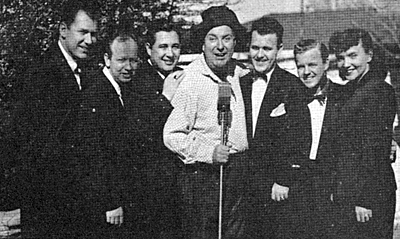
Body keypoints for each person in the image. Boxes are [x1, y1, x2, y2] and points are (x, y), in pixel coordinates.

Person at [163, 6, 250, 239]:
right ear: (202, 43)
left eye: (227, 38)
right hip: (204, 179)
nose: (220, 46)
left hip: (238, 175)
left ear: (235, 43)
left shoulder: (240, 74)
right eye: (212, 38)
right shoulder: (190, 81)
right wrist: (208, 152)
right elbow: (172, 135)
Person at [19, 0, 100, 237]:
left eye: (93, 34)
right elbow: (36, 145)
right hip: (51, 205)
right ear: (63, 30)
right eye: (83, 32)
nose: (89, 41)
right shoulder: (42, 73)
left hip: (77, 202)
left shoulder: (86, 71)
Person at [65, 23, 143, 238]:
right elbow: (92, 154)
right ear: (107, 60)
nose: (129, 67)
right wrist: (110, 202)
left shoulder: (122, 90)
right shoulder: (96, 94)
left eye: (133, 60)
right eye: (121, 60)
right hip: (106, 206)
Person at [239, 16, 304, 238]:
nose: (259, 54)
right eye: (255, 47)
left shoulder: (291, 86)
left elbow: (299, 138)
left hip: (276, 187)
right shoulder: (240, 83)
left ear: (279, 49)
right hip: (245, 186)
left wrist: (284, 180)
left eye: (267, 48)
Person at [329, 28, 396, 239]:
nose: (346, 64)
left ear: (369, 55)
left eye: (352, 55)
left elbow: (374, 149)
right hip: (351, 193)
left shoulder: (379, 91)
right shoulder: (353, 89)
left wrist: (365, 199)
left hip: (369, 196)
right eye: (340, 58)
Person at [276, 39, 338, 238]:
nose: (306, 72)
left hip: (332, 186)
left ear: (326, 64)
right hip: (299, 186)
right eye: (300, 66)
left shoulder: (345, 97)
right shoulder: (290, 98)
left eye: (312, 65)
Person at [132, 19, 184, 238]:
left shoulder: (183, 76)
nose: (170, 53)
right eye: (163, 46)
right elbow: (141, 133)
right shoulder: (135, 81)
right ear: (148, 49)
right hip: (150, 190)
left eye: (175, 46)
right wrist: (165, 97)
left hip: (181, 185)